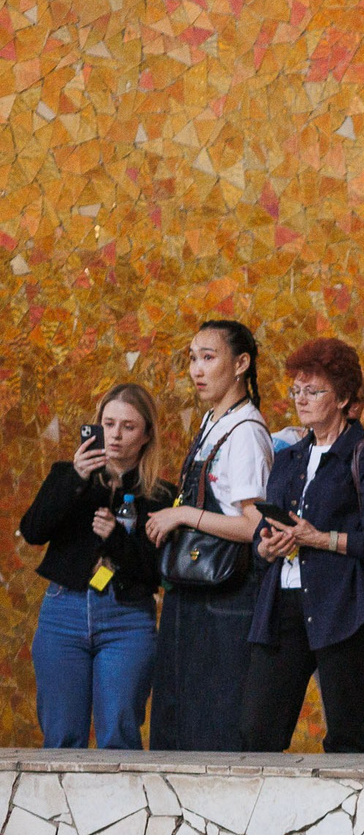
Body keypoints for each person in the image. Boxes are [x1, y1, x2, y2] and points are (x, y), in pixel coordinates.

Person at [241, 340, 364, 754]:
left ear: (344, 399)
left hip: (344, 606)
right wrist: (266, 547)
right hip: (282, 602)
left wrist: (319, 539)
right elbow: (263, 534)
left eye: (313, 391)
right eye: (296, 391)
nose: (301, 400)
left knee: (345, 732)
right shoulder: (288, 458)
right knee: (255, 730)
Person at [20, 385, 173, 748]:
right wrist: (76, 478)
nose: (116, 435)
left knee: (119, 731)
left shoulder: (160, 495)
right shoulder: (67, 476)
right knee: (61, 736)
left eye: (129, 426)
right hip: (64, 609)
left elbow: (158, 573)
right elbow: (32, 531)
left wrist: (116, 539)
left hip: (127, 617)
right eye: (109, 423)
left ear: (147, 434)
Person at [145, 321, 273, 751]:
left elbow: (254, 525)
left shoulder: (247, 432)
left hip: (228, 599)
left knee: (215, 720)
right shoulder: (209, 421)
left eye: (209, 357)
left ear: (241, 364)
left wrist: (183, 514)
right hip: (194, 595)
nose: (197, 370)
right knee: (176, 715)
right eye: (192, 358)